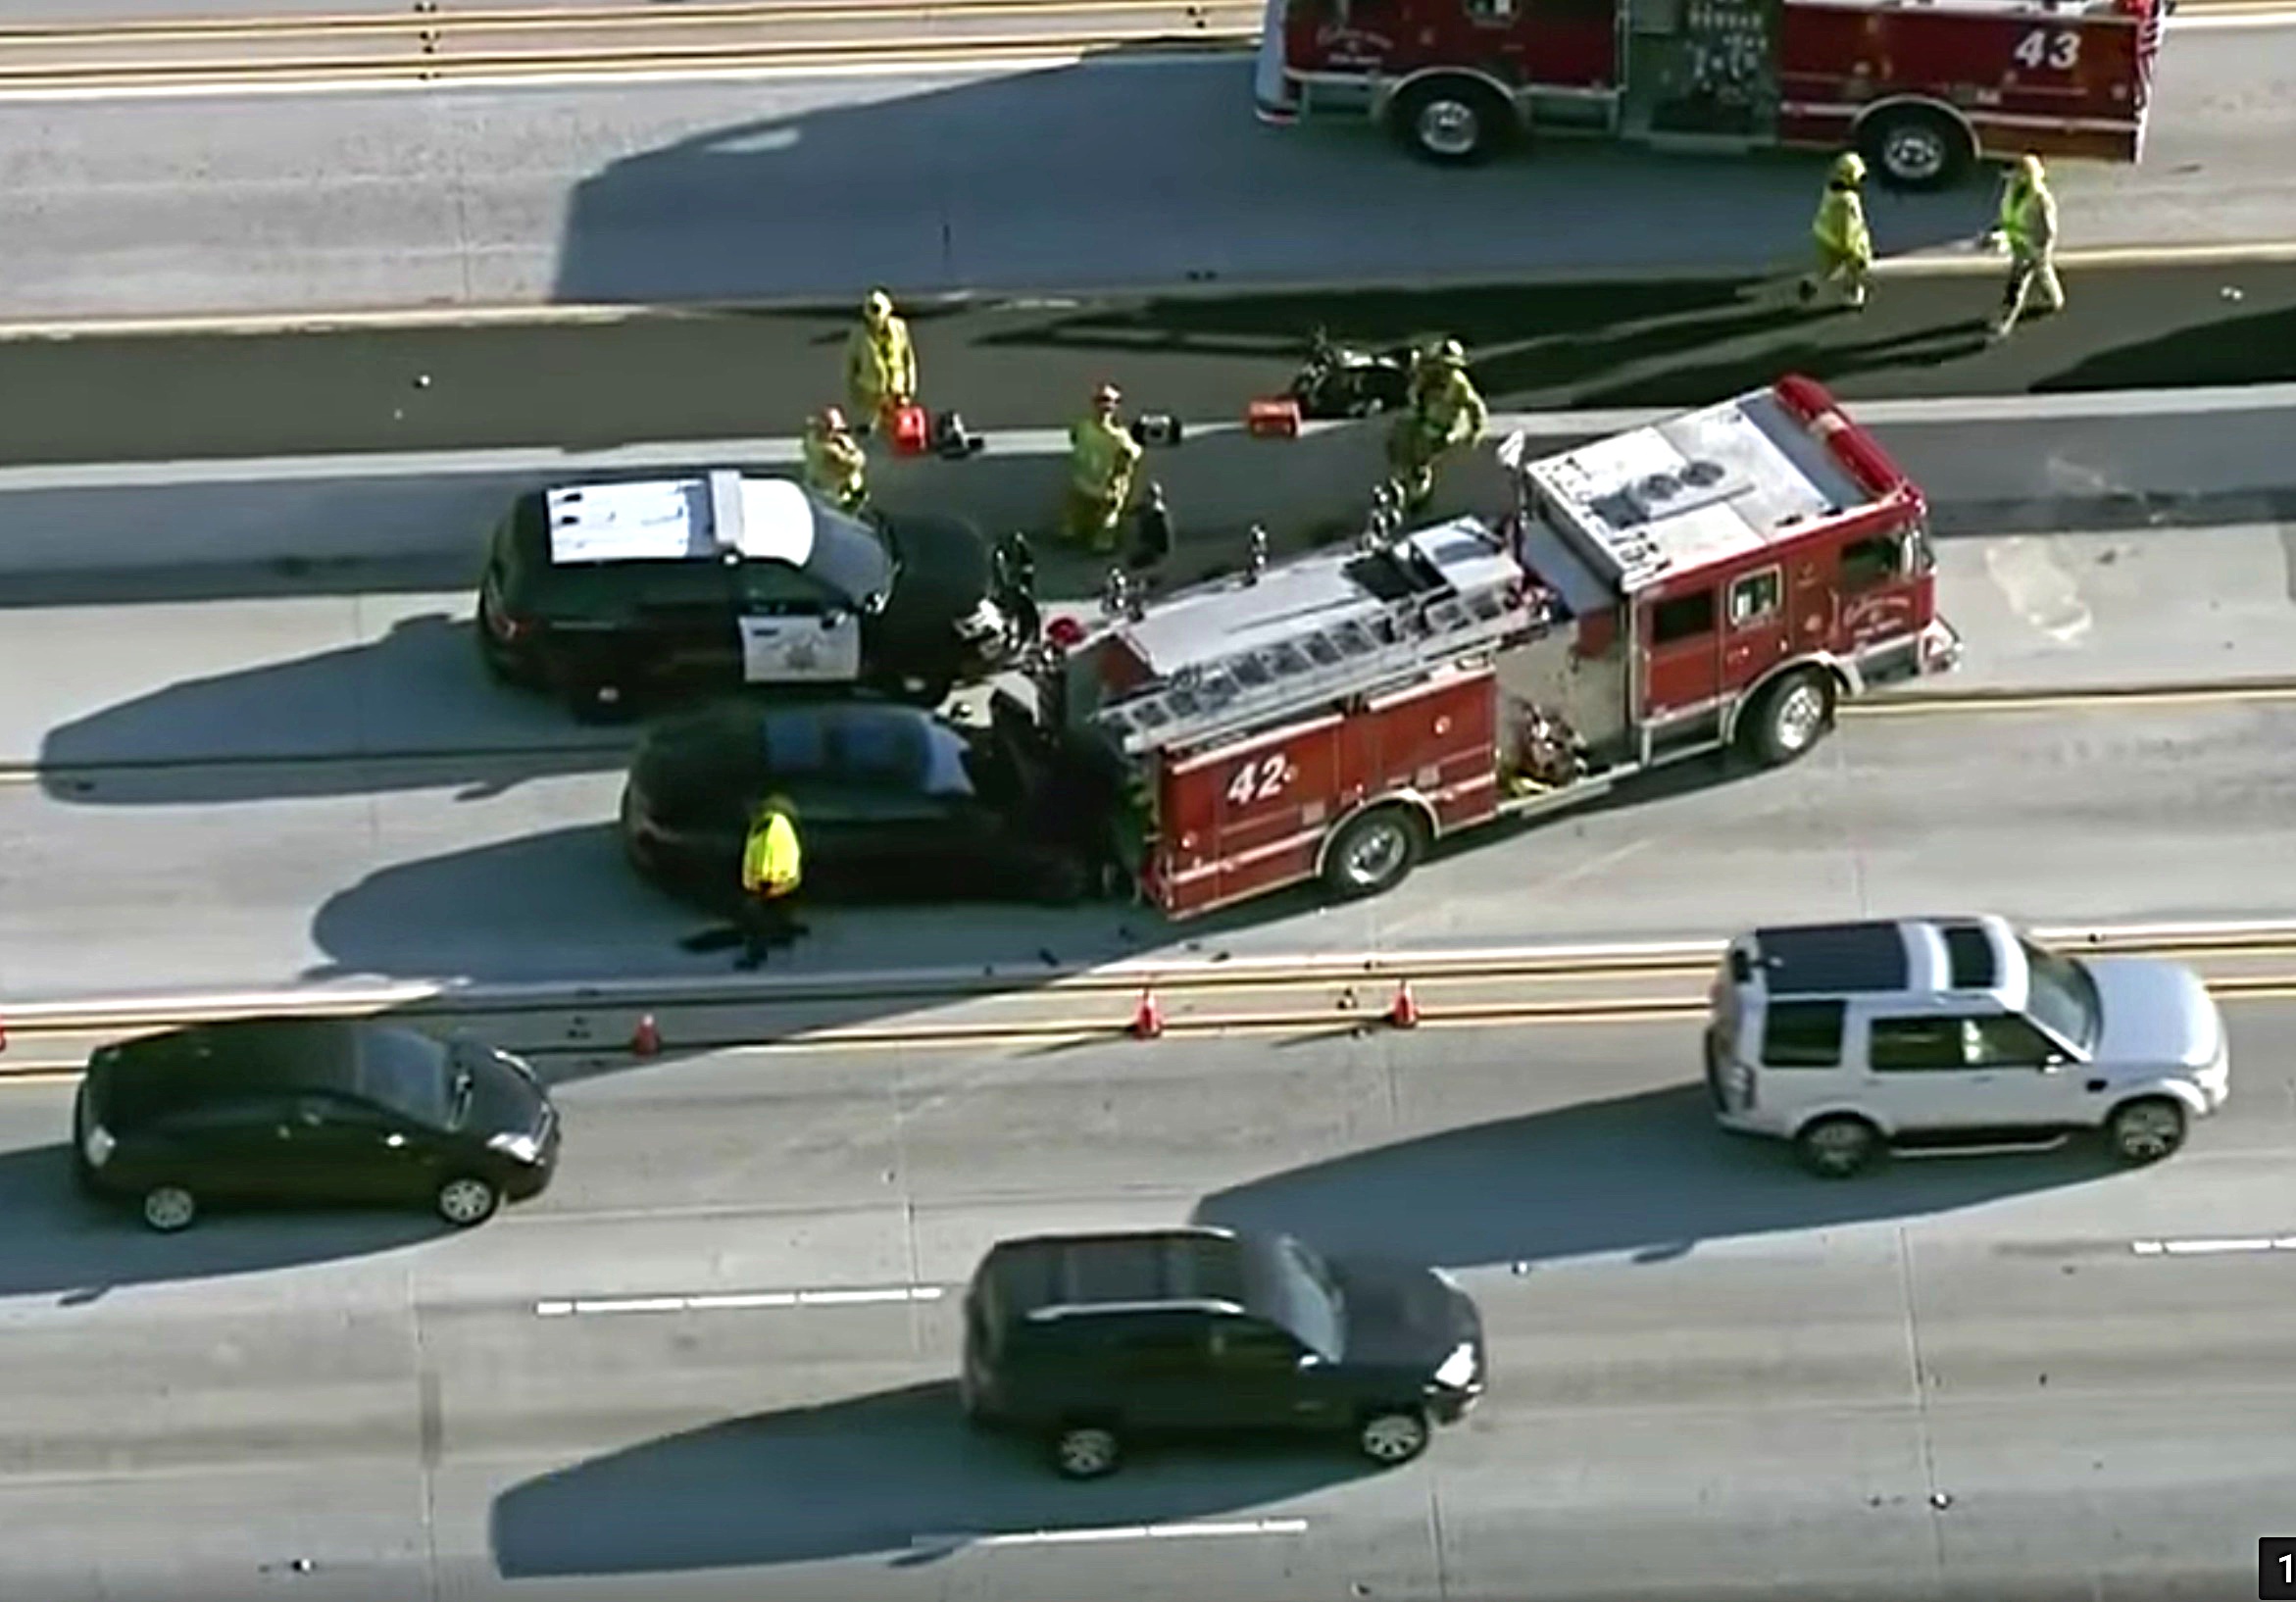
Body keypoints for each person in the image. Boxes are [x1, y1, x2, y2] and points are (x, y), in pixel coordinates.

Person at [1383, 338, 1487, 517]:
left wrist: (1475, 431)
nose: (1444, 370)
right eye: (1442, 364)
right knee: (1398, 444)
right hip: (1422, 421)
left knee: (1420, 462)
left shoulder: (1458, 385)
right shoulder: (1428, 375)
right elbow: (1416, 392)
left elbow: (1475, 407)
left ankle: (1417, 497)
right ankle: (1401, 482)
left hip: (1440, 430)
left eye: (1449, 366)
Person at [1990, 154, 2064, 340]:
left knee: (2016, 285)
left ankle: (2002, 325)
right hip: (2018, 243)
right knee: (2043, 270)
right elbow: (2007, 214)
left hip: (2032, 246)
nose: (2010, 178)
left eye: (2015, 174)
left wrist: (2039, 248)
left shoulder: (2040, 199)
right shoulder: (2012, 191)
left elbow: (2049, 229)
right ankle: (2055, 299)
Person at [1064, 382, 1144, 554]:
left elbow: (1133, 454)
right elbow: (1075, 440)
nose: (1105, 406)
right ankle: (1080, 542)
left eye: (1109, 401)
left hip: (1102, 488)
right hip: (1086, 485)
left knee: (1102, 522)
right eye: (1102, 400)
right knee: (1081, 520)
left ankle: (1098, 548)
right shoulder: (1087, 428)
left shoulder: (1116, 435)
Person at [736, 794, 806, 970]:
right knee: (765, 915)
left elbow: (778, 857)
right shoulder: (764, 827)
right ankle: (780, 936)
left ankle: (757, 953)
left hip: (771, 882)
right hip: (770, 882)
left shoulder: (772, 829)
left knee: (756, 919)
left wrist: (767, 885)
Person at [1798, 153, 1873, 311]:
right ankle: (1853, 296)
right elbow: (1847, 226)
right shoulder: (1848, 200)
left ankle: (1812, 282)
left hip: (1825, 236)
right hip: (1846, 242)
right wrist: (1853, 250)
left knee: (1827, 269)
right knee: (1855, 271)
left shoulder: (1831, 190)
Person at [844, 288, 918, 434]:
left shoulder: (899, 328)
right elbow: (850, 369)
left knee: (900, 431)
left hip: (897, 393)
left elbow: (908, 359)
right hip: (872, 395)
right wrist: (856, 396)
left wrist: (909, 390)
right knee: (874, 434)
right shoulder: (859, 335)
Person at [802, 406, 868, 512]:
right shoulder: (829, 451)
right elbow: (857, 462)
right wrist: (849, 445)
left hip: (815, 489)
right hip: (834, 497)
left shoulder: (812, 439)